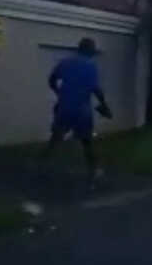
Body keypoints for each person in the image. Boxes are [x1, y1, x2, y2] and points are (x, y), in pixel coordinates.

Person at [41, 37, 113, 187]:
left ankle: (42, 168)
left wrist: (59, 92)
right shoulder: (91, 66)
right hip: (82, 110)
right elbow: (96, 89)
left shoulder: (65, 62)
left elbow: (52, 79)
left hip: (64, 107)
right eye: (93, 49)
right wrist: (104, 104)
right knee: (87, 142)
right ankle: (93, 173)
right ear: (89, 50)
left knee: (55, 139)